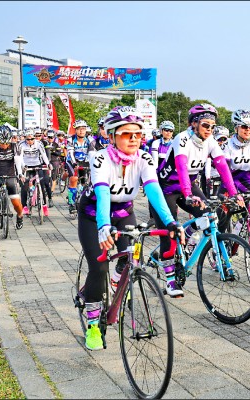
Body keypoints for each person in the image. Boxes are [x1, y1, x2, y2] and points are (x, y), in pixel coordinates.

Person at [78, 106, 182, 350]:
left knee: (131, 258)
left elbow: (154, 190)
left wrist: (170, 222)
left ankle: (117, 281)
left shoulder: (144, 157)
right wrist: (104, 227)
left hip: (124, 211)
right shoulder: (100, 158)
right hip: (94, 215)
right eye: (126, 134)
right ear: (112, 136)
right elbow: (103, 194)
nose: (134, 138)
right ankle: (93, 325)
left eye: (138, 133)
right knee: (99, 266)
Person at [153, 103, 240, 298]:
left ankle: (189, 234)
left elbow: (222, 166)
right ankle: (170, 280)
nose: (210, 130)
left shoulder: (209, 141)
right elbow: (182, 167)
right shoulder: (181, 139)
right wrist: (188, 194)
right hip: (166, 188)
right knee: (170, 232)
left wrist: (234, 193)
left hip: (188, 186)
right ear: (194, 124)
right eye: (205, 125)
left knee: (211, 215)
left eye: (212, 126)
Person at [0, 125, 25, 230]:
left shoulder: (14, 146)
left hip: (11, 175)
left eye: (7, 143)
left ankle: (20, 216)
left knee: (16, 204)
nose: (4, 145)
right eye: (2, 143)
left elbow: (17, 161)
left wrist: (20, 174)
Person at [20, 130, 51, 217]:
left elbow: (44, 155)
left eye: (32, 139)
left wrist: (48, 164)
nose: (30, 141)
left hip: (37, 164)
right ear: (25, 138)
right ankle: (24, 206)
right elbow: (20, 157)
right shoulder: (21, 144)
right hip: (26, 165)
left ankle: (44, 205)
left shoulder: (39, 143)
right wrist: (23, 166)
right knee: (25, 186)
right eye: (28, 139)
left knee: (42, 184)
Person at [66, 119, 94, 214]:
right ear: (76, 130)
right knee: (74, 179)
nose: (82, 131)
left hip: (85, 161)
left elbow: (93, 152)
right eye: (79, 129)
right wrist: (74, 163)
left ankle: (83, 197)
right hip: (72, 161)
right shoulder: (71, 139)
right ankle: (71, 203)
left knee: (85, 182)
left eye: (83, 129)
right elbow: (71, 153)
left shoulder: (90, 139)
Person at [204, 125, 229, 197]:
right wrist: (208, 178)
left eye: (224, 139)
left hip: (222, 176)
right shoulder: (210, 147)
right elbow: (208, 164)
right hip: (211, 175)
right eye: (219, 139)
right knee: (210, 197)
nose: (221, 142)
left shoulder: (227, 148)